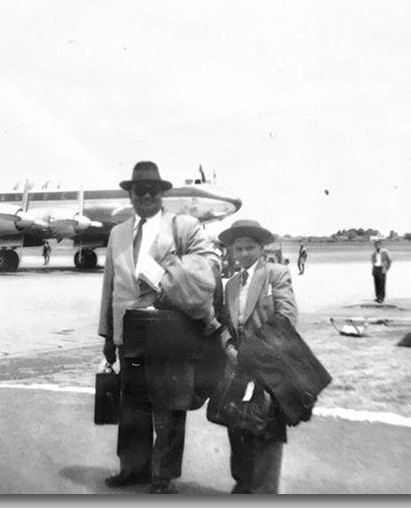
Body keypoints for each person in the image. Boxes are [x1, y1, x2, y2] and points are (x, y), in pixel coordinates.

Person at [99, 161, 221, 494]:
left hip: (170, 331)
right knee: (133, 403)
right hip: (131, 334)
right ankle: (133, 468)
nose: (147, 195)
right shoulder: (117, 233)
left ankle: (162, 475)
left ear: (163, 193)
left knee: (169, 405)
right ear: (131, 194)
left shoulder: (184, 227)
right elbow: (110, 286)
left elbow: (209, 263)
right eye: (140, 190)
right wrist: (108, 334)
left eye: (154, 189)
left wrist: (165, 274)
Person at [216, 219, 298, 494]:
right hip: (238, 367)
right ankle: (243, 484)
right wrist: (229, 347)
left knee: (267, 431)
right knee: (237, 427)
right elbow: (225, 323)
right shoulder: (231, 285)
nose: (243, 254)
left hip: (268, 365)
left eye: (249, 248)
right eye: (237, 249)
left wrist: (257, 352)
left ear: (262, 247)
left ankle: (264, 491)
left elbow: (286, 316)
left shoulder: (276, 273)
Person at [370, 239, 392, 303]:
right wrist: (373, 270)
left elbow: (390, 260)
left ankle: (381, 298)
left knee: (382, 284)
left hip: (382, 268)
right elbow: (373, 262)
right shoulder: (374, 253)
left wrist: (387, 268)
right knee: (376, 283)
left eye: (377, 244)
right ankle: (378, 297)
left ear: (380, 245)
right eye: (375, 245)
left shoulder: (385, 251)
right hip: (376, 268)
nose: (376, 246)